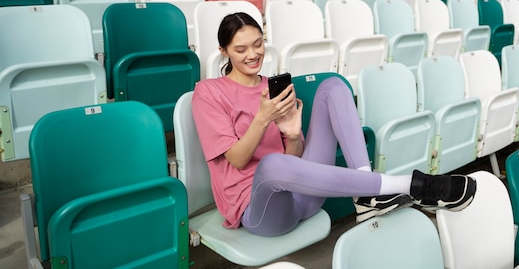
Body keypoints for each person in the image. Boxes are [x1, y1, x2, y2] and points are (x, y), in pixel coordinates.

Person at [192, 12, 476, 237]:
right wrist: (263, 117)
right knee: (271, 165)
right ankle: (410, 185)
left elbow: (296, 163)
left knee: (332, 86)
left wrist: (292, 136)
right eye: (240, 49)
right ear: (223, 51)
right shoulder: (207, 93)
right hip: (261, 212)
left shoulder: (271, 87)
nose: (253, 54)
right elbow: (239, 160)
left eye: (258, 44)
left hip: (303, 196)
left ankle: (366, 194)